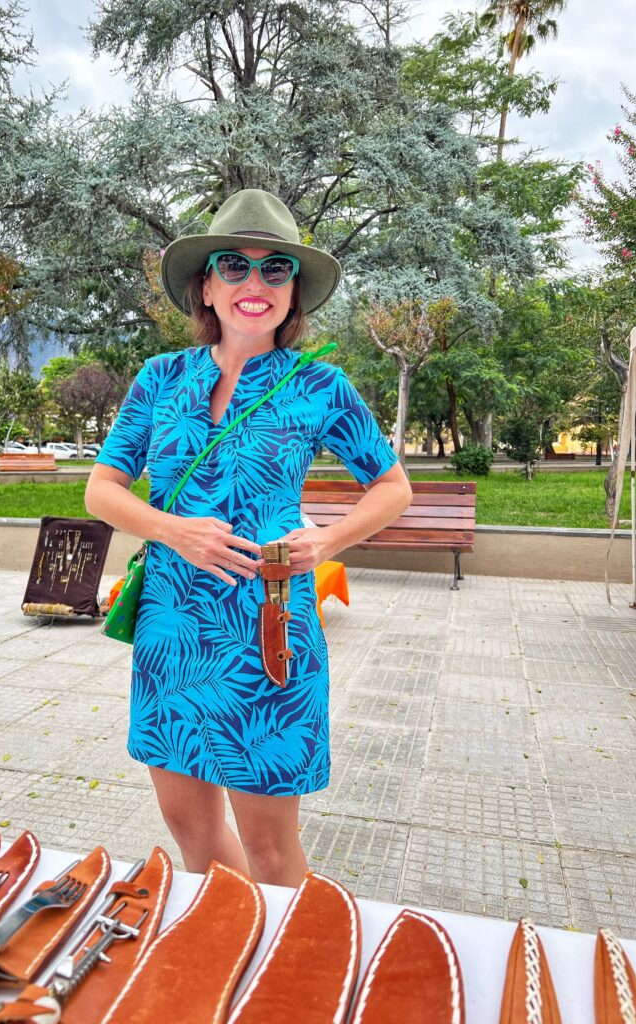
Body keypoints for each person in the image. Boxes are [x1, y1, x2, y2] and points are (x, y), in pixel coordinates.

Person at [85, 189, 412, 887]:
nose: (253, 285)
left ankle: (297, 966)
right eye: (233, 267)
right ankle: (231, 949)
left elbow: (393, 488)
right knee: (191, 831)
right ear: (205, 285)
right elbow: (101, 490)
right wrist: (174, 531)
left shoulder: (320, 386)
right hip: (171, 631)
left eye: (274, 270)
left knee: (268, 850)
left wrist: (326, 543)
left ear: (294, 293)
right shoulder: (159, 379)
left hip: (267, 632)